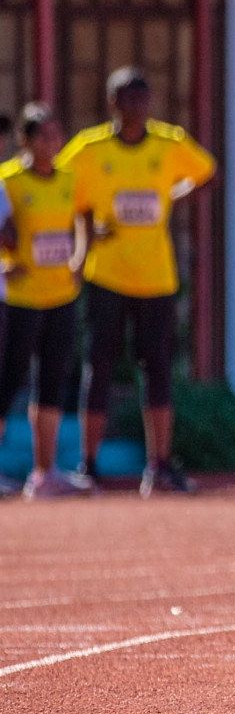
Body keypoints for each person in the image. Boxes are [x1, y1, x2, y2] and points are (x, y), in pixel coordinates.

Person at [59, 67, 217, 496]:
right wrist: (86, 235)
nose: (139, 107)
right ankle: (88, 466)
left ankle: (159, 465)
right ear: (113, 103)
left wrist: (171, 198)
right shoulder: (90, 149)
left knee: (159, 369)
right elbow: (64, 192)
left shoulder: (169, 143)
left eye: (144, 99)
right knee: (100, 367)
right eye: (130, 99)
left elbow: (206, 173)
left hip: (156, 278)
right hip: (106, 275)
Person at [0, 104, 92, 499]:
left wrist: (79, 258)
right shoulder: (8, 180)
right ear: (25, 141)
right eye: (43, 136)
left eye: (57, 134)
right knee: (8, 381)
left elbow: (84, 220)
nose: (52, 143)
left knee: (52, 381)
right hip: (19, 299)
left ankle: (45, 472)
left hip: (60, 296)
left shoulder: (70, 179)